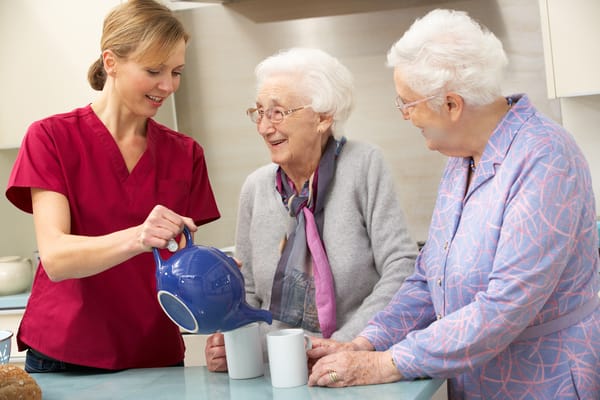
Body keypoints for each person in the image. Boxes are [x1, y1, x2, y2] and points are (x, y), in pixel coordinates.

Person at [307, 9, 600, 399]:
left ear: (451, 105)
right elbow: (429, 278)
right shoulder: (461, 158)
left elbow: (505, 306)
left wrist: (387, 363)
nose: (405, 115)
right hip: (476, 382)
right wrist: (369, 341)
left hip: (544, 381)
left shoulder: (545, 158)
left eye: (407, 103)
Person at [5, 0, 220, 372]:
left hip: (155, 353)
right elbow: (55, 257)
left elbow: (181, 262)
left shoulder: (186, 154)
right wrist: (140, 236)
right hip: (67, 352)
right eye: (154, 70)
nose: (168, 86)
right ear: (111, 62)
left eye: (177, 72)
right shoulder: (51, 138)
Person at [204, 47, 418, 372]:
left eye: (277, 113)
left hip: (355, 362)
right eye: (259, 112)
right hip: (277, 370)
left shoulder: (364, 166)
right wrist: (234, 343)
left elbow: (400, 269)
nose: (263, 127)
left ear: (323, 117)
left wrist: (347, 344)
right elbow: (245, 292)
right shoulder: (256, 188)